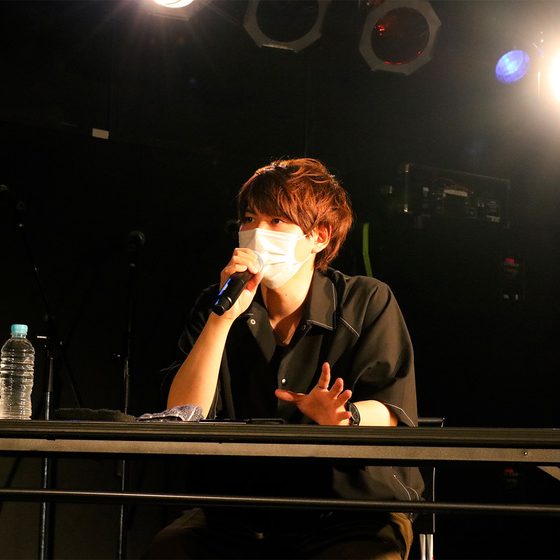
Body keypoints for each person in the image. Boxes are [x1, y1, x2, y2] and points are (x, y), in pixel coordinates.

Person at [147, 158, 422, 559]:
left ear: (319, 237)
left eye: (276, 221)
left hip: (350, 510)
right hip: (238, 512)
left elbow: (392, 408)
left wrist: (343, 416)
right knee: (171, 550)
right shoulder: (216, 304)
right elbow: (182, 412)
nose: (257, 233)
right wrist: (222, 320)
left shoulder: (366, 300)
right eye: (249, 219)